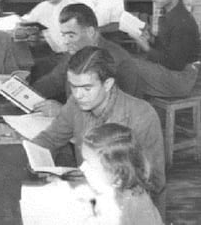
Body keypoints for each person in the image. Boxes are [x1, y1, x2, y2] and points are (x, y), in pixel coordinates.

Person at [32, 46, 166, 217]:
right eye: (73, 86)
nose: (78, 95)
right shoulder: (76, 103)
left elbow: (153, 182)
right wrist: (33, 156)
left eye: (87, 88)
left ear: (108, 84)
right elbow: (50, 138)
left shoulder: (142, 115)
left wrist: (78, 186)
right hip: (93, 198)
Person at [32, 3, 140, 112]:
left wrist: (62, 111)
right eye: (63, 35)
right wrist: (24, 93)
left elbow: (110, 114)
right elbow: (53, 81)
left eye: (71, 35)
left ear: (91, 32)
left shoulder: (117, 61)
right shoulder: (76, 52)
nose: (65, 42)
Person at [130, 0, 200, 97]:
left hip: (182, 79)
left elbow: (175, 64)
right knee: (129, 64)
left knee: (128, 66)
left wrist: (147, 49)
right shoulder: (169, 14)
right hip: (173, 71)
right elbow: (169, 49)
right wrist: (152, 40)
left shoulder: (182, 21)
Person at [80, 123, 164, 225]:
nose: (82, 167)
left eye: (90, 164)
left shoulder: (136, 204)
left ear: (118, 175)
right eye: (84, 160)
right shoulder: (108, 189)